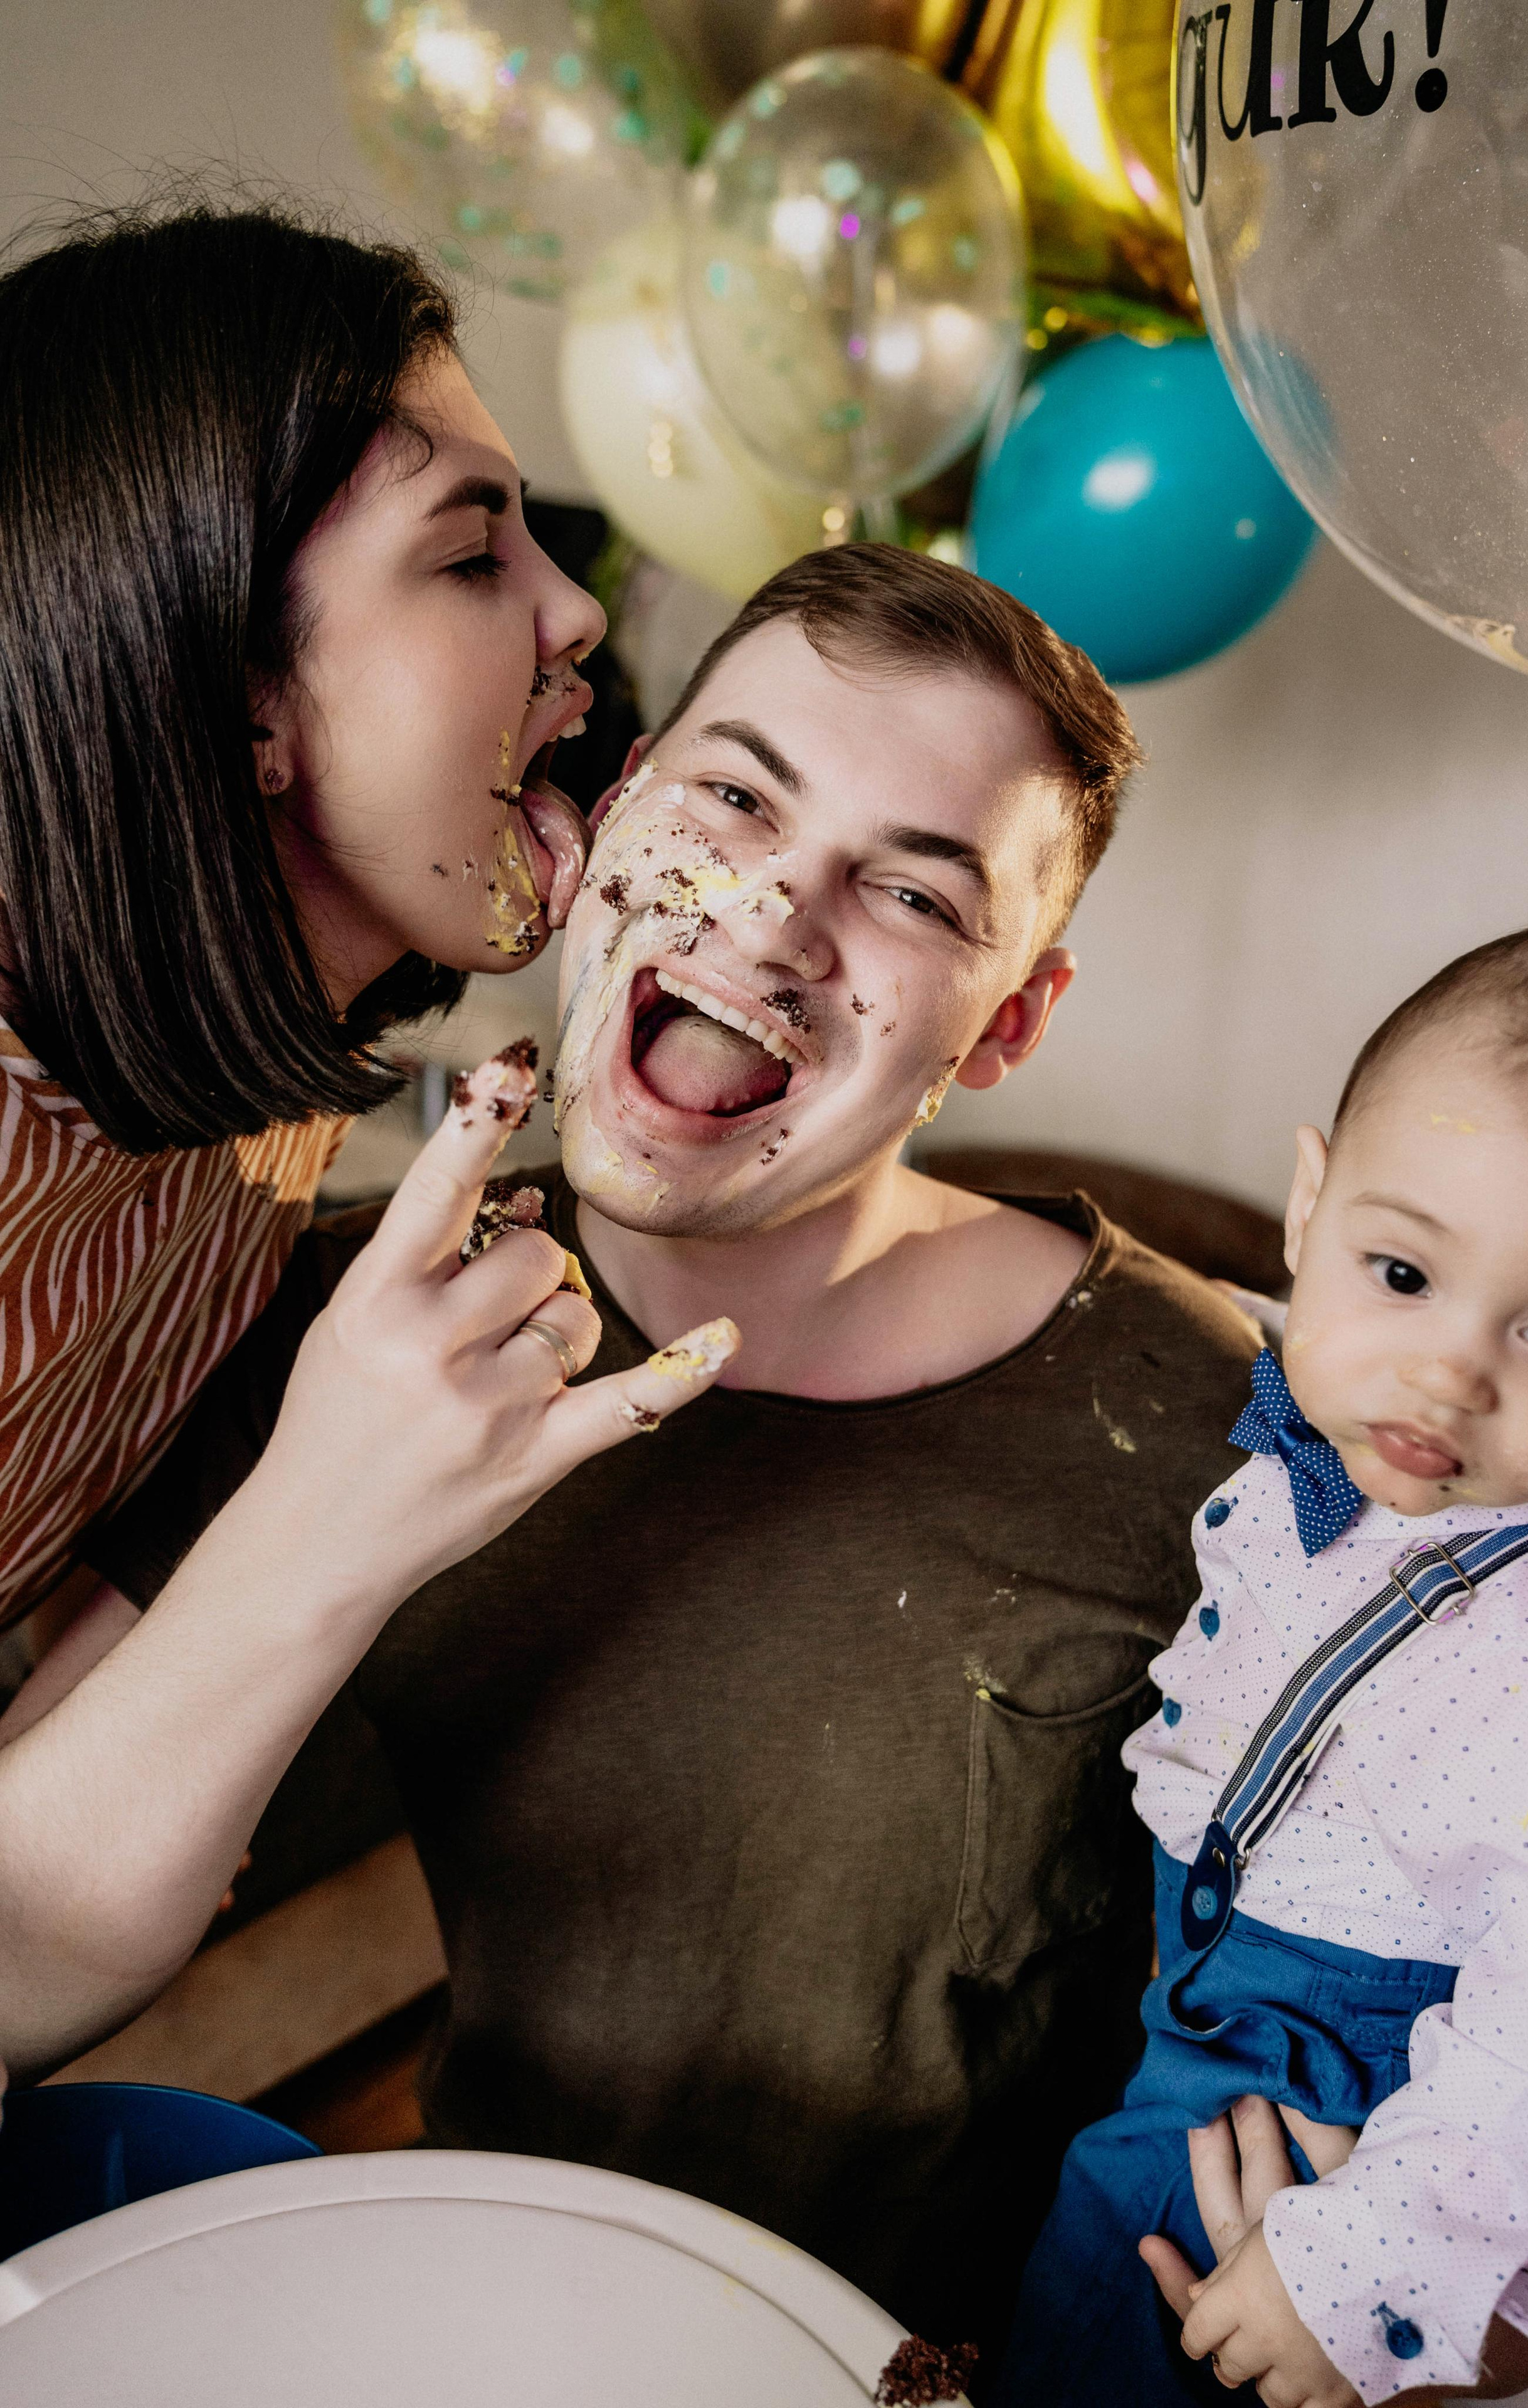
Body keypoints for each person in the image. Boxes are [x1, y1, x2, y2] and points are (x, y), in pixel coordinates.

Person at [76, 544, 1262, 2386]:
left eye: (912, 894)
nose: (775, 924)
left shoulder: (1222, 1428)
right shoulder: (362, 1325)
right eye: (735, 799)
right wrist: (325, 1513)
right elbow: (37, 1914)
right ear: (619, 804)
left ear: (1011, 1023)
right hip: (516, 2317)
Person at [0, 196, 734, 2084]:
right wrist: (328, 1521)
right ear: (237, 692)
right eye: (469, 553)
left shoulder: (252, 1092)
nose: (577, 612)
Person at [998, 924, 1528, 2408]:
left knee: (1117, 2299)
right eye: (1399, 1272)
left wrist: (1365, 2269)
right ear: (1305, 1209)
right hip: (1211, 1960)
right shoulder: (1331, 1425)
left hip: (1337, 2063)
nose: (1447, 1373)